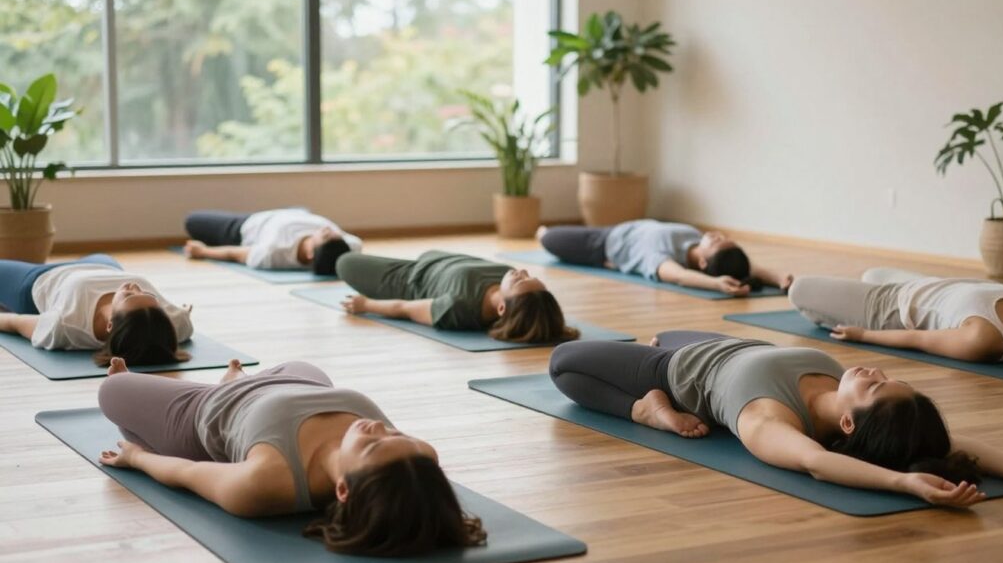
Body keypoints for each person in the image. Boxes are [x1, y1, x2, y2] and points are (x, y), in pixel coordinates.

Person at [549, 330, 1003, 506]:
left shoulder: (767, 421)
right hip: (724, 344)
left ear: (849, 426)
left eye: (874, 386)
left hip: (676, 373)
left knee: (564, 361)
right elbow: (938, 443)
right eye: (886, 376)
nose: (872, 370)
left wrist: (905, 485)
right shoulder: (854, 398)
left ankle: (643, 409)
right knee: (664, 332)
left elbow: (816, 464)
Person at [97, 358, 487, 557]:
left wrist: (137, 458)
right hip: (298, 380)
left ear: (343, 490)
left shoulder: (267, 482)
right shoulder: (417, 458)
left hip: (204, 412)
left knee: (111, 390)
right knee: (306, 366)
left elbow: (188, 471)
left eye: (372, 445)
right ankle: (239, 378)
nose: (378, 428)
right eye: (395, 433)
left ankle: (230, 384)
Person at [789, 267, 1003, 371]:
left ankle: (822, 314)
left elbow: (919, 339)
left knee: (798, 290)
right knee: (872, 272)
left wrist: (863, 335)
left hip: (891, 307)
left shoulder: (983, 339)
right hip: (923, 283)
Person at [337, 250, 579, 344]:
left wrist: (365, 304)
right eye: (528, 275)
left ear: (503, 309)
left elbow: (406, 308)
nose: (521, 272)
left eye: (519, 280)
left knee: (344, 261)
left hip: (406, 278)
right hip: (430, 259)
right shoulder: (505, 279)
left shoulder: (458, 308)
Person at [0, 254, 193, 366]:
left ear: (110, 324)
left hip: (38, 281)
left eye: (128, 296)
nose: (134, 286)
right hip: (105, 265)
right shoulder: (173, 323)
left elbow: (13, 322)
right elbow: (183, 317)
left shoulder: (66, 327)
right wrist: (183, 311)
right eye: (149, 295)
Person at [537, 220, 792, 297]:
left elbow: (680, 277)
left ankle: (543, 233)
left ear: (703, 263)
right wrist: (780, 278)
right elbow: (749, 268)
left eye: (715, 242)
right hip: (613, 228)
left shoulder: (666, 259)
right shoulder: (694, 237)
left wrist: (716, 284)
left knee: (547, 237)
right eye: (721, 236)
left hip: (600, 246)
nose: (715, 235)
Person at [183, 208, 362, 275]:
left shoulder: (272, 253)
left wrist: (203, 252)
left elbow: (234, 253)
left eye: (324, 235)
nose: (328, 229)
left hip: (249, 224)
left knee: (193, 220)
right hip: (297, 212)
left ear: (310, 254)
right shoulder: (348, 246)